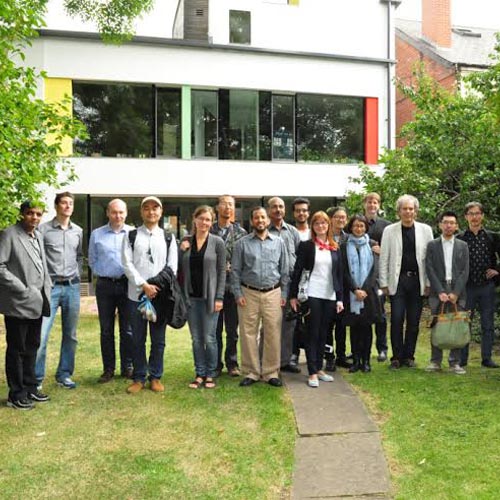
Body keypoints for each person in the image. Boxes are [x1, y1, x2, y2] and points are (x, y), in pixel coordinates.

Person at [122, 196, 178, 393]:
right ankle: (139, 377)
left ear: (161, 212)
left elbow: (172, 267)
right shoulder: (131, 236)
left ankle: (155, 376)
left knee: (158, 340)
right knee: (137, 338)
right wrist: (144, 285)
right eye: (147, 208)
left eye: (155, 208)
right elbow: (127, 264)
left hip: (159, 297)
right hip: (136, 297)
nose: (151, 212)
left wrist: (154, 287)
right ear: (141, 212)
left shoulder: (169, 237)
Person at [0, 202, 52, 409]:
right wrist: (21, 287)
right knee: (17, 349)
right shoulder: (8, 234)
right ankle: (16, 394)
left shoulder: (38, 235)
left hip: (37, 301)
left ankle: (31, 387)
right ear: (22, 214)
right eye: (30, 213)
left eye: (38, 214)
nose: (34, 217)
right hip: (18, 302)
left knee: (32, 346)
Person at [231, 206, 289, 387]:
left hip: (273, 292)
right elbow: (235, 271)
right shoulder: (242, 243)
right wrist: (238, 293)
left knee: (272, 332)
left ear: (268, 220)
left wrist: (284, 293)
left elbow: (285, 270)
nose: (260, 221)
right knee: (248, 333)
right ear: (252, 221)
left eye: (263, 217)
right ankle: (251, 371)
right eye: (256, 218)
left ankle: (271, 372)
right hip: (249, 293)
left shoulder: (279, 242)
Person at [379, 194, 434, 369]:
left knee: (413, 320)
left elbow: (430, 260)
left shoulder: (426, 230)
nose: (408, 212)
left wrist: (428, 283)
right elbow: (384, 258)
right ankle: (396, 356)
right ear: (399, 211)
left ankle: (409, 356)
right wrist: (384, 283)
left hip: (418, 281)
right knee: (396, 319)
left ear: (416, 211)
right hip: (398, 281)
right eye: (405, 209)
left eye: (411, 209)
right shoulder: (389, 231)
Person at [289, 211, 343, 387]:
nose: (321, 226)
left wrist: (340, 298)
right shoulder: (306, 246)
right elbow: (297, 271)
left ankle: (319, 368)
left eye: (324, 223)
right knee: (312, 332)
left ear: (328, 226)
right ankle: (311, 371)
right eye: (317, 223)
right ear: (313, 226)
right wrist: (292, 296)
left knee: (324, 333)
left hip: (330, 295)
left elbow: (339, 275)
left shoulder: (335, 247)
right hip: (312, 294)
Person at [36, 192, 83, 389]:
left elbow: (79, 256)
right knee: (41, 334)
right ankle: (36, 378)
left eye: (70, 203)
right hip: (50, 288)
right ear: (56, 206)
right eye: (63, 203)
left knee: (70, 334)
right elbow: (37, 256)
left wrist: (78, 274)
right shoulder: (43, 230)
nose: (67, 206)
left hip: (72, 287)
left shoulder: (78, 231)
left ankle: (64, 374)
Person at [88, 199, 134, 383]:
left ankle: (127, 367)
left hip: (126, 285)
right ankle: (108, 369)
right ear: (108, 213)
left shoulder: (132, 233)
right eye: (114, 212)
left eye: (121, 212)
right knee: (106, 330)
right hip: (105, 285)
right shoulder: (97, 234)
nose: (118, 216)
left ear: (126, 213)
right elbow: (92, 259)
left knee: (128, 329)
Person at [180, 205, 226, 389]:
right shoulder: (185, 241)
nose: (204, 223)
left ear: (212, 222)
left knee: (209, 338)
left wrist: (219, 297)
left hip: (210, 298)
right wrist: (181, 250)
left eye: (208, 220)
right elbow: (178, 268)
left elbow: (222, 271)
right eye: (201, 219)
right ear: (195, 220)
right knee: (196, 339)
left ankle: (211, 373)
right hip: (191, 298)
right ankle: (199, 373)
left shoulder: (217, 242)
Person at [425, 211, 469, 374]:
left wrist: (456, 292)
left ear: (456, 226)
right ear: (440, 225)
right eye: (445, 222)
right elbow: (429, 268)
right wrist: (440, 291)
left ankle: (454, 362)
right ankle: (435, 361)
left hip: (458, 290)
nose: (449, 225)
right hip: (439, 290)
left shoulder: (462, 246)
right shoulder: (432, 245)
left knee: (456, 324)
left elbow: (465, 271)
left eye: (452, 223)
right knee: (437, 324)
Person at [457, 202, 500, 368]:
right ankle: (462, 359)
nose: (474, 217)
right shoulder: (460, 238)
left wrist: (497, 270)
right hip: (467, 288)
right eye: (471, 213)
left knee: (487, 324)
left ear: (482, 216)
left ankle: (487, 358)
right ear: (466, 217)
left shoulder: (492, 236)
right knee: (464, 323)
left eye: (477, 213)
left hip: (486, 287)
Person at [341, 215, 382, 373]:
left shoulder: (372, 245)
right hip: (352, 294)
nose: (358, 229)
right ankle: (356, 360)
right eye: (356, 226)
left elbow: (375, 270)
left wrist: (364, 289)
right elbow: (343, 271)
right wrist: (355, 289)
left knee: (366, 327)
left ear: (366, 228)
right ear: (350, 227)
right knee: (354, 328)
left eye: (362, 226)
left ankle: (366, 361)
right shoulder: (344, 246)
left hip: (368, 294)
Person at [211, 195, 247, 377]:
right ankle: (216, 364)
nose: (227, 207)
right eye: (224, 204)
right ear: (217, 207)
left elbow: (246, 257)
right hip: (213, 287)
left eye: (230, 205)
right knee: (215, 329)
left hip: (233, 288)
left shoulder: (241, 233)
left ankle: (232, 363)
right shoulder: (208, 229)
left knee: (232, 330)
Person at [267, 197, 301, 373]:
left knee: (289, 325)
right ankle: (266, 361)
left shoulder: (293, 231)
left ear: (285, 210)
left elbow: (299, 258)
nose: (278, 210)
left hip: (291, 284)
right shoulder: (264, 231)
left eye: (281, 207)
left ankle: (285, 361)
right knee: (269, 326)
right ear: (269, 210)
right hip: (271, 285)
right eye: (274, 207)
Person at [363, 192, 391, 362]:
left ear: (379, 205)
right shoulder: (356, 223)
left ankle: (382, 349)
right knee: (362, 316)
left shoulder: (386, 226)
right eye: (369, 202)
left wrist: (383, 251)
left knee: (380, 314)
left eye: (375, 202)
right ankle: (361, 348)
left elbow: (394, 250)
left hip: (379, 277)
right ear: (364, 204)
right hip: (360, 278)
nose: (372, 205)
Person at [324, 206, 351, 371]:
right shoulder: (324, 238)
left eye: (343, 217)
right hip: (327, 286)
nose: (341, 220)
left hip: (345, 287)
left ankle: (341, 355)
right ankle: (329, 356)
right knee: (328, 325)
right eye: (337, 217)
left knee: (341, 325)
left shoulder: (349, 238)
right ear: (330, 219)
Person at [290, 197, 311, 369]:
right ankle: (293, 355)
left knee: (312, 321)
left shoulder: (315, 231)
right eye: (298, 210)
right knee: (294, 322)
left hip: (313, 283)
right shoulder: (289, 232)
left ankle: (317, 355)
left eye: (304, 210)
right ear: (294, 213)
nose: (301, 213)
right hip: (294, 280)